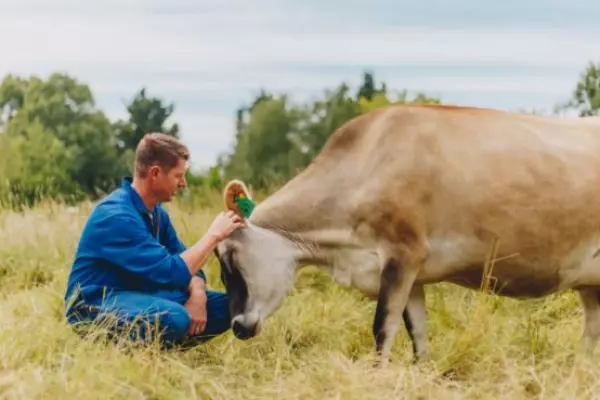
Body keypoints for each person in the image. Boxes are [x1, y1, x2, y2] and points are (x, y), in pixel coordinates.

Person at [64, 132, 245, 348]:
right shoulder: (117, 217)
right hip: (96, 303)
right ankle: (135, 353)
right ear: (155, 173)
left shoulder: (157, 214)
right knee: (175, 317)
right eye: (178, 176)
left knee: (231, 306)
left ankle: (163, 344)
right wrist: (214, 236)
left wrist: (198, 295)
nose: (183, 184)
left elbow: (188, 266)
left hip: (140, 296)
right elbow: (171, 271)